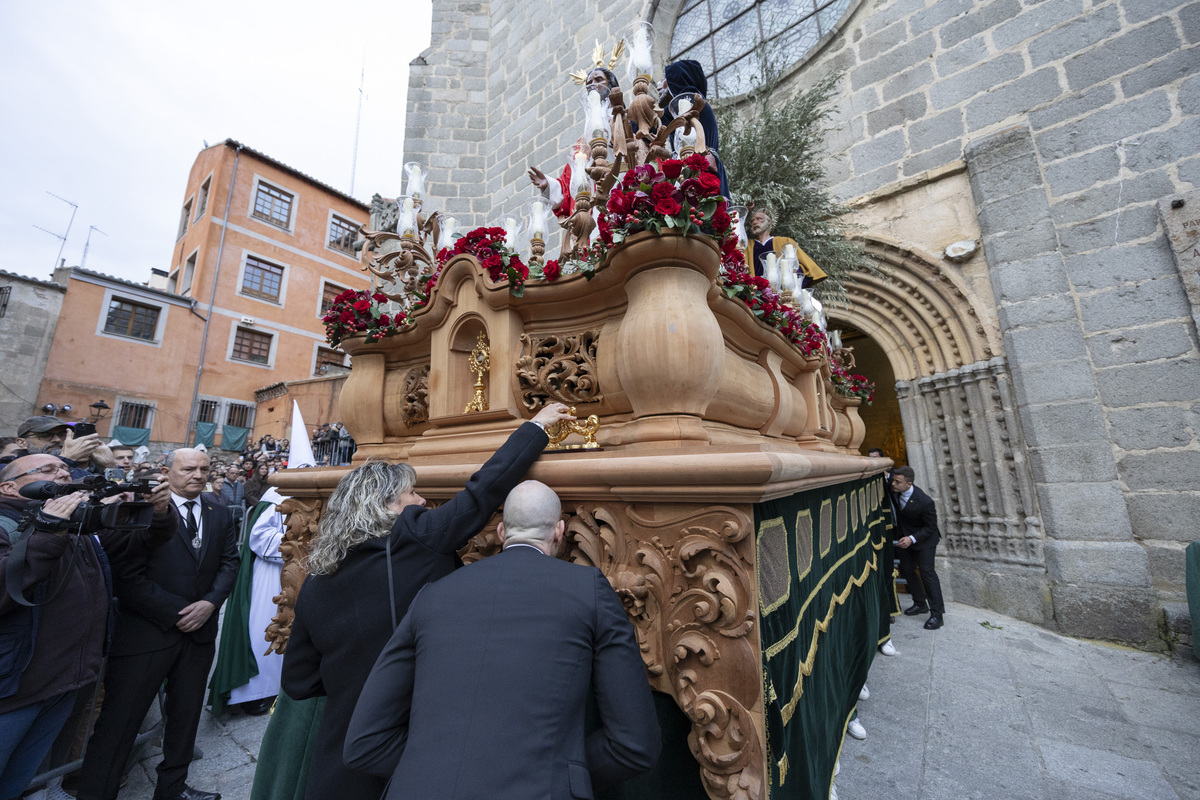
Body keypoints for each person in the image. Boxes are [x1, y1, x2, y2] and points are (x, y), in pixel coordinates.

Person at [281, 403, 574, 800]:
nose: (421, 501)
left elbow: (298, 681)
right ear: (386, 505)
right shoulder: (417, 537)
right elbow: (482, 492)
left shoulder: (317, 581)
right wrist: (536, 426)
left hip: (343, 759)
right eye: (411, 493)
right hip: (414, 745)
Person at [344, 479, 660, 797]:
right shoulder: (588, 589)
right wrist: (555, 770)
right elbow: (634, 744)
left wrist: (443, 767)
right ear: (559, 532)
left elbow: (366, 741)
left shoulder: (434, 594)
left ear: (500, 533)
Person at [0, 454, 176, 800]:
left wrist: (157, 514)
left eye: (64, 468)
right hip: (14, 686)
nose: (63, 473)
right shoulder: (8, 525)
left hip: (66, 680)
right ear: (9, 486)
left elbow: (134, 545)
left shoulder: (76, 524)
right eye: (48, 470)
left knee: (21, 781)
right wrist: (50, 531)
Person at [77, 448, 240, 800]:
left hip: (199, 635)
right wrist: (180, 613)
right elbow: (127, 576)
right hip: (146, 634)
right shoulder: (139, 512)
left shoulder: (220, 511)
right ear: (166, 472)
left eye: (204, 468)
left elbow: (230, 563)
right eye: (189, 469)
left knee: (185, 717)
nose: (198, 475)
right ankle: (96, 792)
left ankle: (172, 789)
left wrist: (211, 603)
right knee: (119, 723)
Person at [209, 485, 287, 717]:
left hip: (302, 570)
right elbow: (259, 535)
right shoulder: (275, 494)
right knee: (265, 626)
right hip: (271, 573)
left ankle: (280, 687)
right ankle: (255, 693)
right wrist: (297, 541)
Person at [528, 67, 620, 219]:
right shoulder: (581, 147)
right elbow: (568, 186)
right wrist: (548, 185)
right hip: (596, 211)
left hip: (623, 190)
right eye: (589, 83)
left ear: (611, 86)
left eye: (599, 80)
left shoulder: (626, 120)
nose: (593, 85)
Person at [660, 59, 729, 199]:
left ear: (677, 79)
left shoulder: (689, 101)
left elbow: (654, 122)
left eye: (664, 80)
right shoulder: (687, 104)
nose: (659, 87)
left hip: (700, 173)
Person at [891, 466, 944, 630]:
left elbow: (930, 527)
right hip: (904, 538)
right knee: (907, 570)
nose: (893, 484)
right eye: (893, 480)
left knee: (927, 573)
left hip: (924, 540)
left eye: (897, 482)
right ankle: (920, 603)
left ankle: (937, 614)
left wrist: (912, 539)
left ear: (909, 484)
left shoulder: (925, 501)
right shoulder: (894, 489)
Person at [742, 207, 829, 287]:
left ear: (769, 222)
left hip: (780, 293)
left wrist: (791, 272)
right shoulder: (746, 246)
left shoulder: (785, 242)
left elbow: (805, 268)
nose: (754, 222)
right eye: (752, 221)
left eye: (759, 219)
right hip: (755, 294)